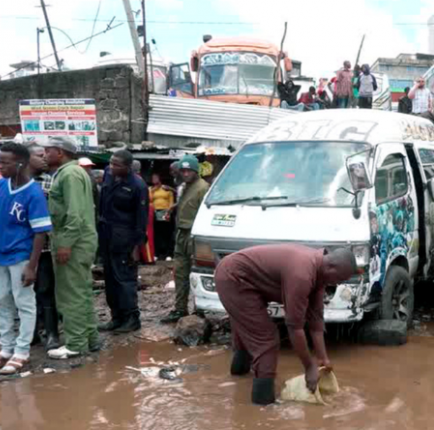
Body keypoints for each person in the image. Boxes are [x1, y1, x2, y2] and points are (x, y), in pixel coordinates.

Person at [215, 245, 358, 405]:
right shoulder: (302, 275)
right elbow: (294, 327)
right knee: (267, 340)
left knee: (251, 330)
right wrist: (309, 367)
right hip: (233, 278)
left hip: (243, 278)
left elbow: (316, 319)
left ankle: (239, 377)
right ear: (331, 267)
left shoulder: (320, 272)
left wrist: (322, 358)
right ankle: (262, 407)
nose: (338, 283)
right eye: (339, 279)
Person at [0, 143, 52, 375]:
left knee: (24, 302)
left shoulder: (34, 193)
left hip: (20, 254)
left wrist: (32, 266)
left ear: (21, 164)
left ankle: (22, 351)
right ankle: (6, 348)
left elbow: (40, 232)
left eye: (5, 162)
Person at [44, 136, 100, 359]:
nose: (44, 154)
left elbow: (74, 213)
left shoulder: (69, 174)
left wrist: (65, 244)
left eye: (48, 150)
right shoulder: (74, 172)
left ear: (60, 152)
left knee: (70, 295)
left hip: (73, 242)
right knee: (82, 291)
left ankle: (75, 343)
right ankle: (90, 339)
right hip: (81, 240)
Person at [97, 150, 149, 335]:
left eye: (116, 165)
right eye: (111, 163)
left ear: (128, 167)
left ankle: (132, 319)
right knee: (110, 280)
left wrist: (137, 247)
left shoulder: (138, 186)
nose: (112, 167)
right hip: (106, 236)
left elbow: (141, 219)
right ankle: (116, 317)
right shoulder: (108, 175)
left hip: (125, 239)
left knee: (125, 281)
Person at [162, 155, 209, 323]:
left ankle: (199, 310)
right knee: (180, 273)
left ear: (196, 171)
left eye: (189, 170)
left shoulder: (203, 188)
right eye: (183, 171)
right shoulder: (184, 187)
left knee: (196, 273)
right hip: (181, 233)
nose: (186, 173)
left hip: (195, 235)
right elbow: (185, 204)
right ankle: (180, 309)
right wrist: (173, 208)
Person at [27, 142, 60, 350]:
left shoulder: (52, 182)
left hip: (46, 246)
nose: (45, 158)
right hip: (22, 247)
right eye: (40, 155)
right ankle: (30, 333)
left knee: (46, 289)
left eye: (46, 154)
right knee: (24, 293)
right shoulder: (14, 183)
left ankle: (52, 333)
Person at [150, 173, 175, 260]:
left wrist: (169, 212)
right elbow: (149, 199)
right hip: (155, 212)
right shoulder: (151, 189)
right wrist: (153, 190)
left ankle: (169, 253)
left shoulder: (166, 188)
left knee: (167, 233)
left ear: (159, 178)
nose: (154, 179)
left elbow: (171, 201)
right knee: (157, 233)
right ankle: (157, 253)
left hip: (165, 211)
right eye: (152, 178)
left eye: (155, 177)